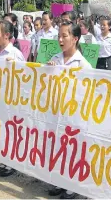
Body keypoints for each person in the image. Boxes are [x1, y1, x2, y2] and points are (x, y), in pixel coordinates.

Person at [47, 21, 91, 199]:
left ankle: (72, 186)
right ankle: (59, 181)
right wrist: (48, 71)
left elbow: (88, 91)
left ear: (75, 39)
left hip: (74, 114)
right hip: (57, 110)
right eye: (59, 36)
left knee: (72, 148)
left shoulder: (83, 64)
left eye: (64, 36)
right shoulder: (56, 59)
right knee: (57, 146)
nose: (60, 39)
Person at [0, 20, 25, 177]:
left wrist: (17, 66)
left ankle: (12, 163)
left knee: (11, 130)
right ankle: (4, 160)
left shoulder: (15, 54)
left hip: (11, 99)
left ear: (7, 35)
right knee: (0, 129)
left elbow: (26, 76)